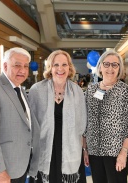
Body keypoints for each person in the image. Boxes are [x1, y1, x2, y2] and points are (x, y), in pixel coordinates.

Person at [0, 47, 40, 183]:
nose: (22, 70)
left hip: (18, 166)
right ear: (5, 66)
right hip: (1, 171)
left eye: (26, 66)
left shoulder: (19, 89)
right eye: (17, 65)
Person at [28, 50, 87, 183]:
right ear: (50, 67)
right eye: (56, 65)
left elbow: (82, 123)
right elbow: (30, 123)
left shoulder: (77, 91)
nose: (60, 69)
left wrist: (84, 149)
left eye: (64, 65)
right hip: (45, 147)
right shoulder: (37, 90)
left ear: (69, 67)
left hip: (71, 148)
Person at [83, 49, 128, 183]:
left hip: (116, 152)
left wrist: (123, 152)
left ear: (119, 68)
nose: (110, 68)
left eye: (115, 65)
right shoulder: (91, 90)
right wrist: (85, 149)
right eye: (106, 64)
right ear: (100, 66)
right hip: (94, 151)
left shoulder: (125, 91)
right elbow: (85, 122)